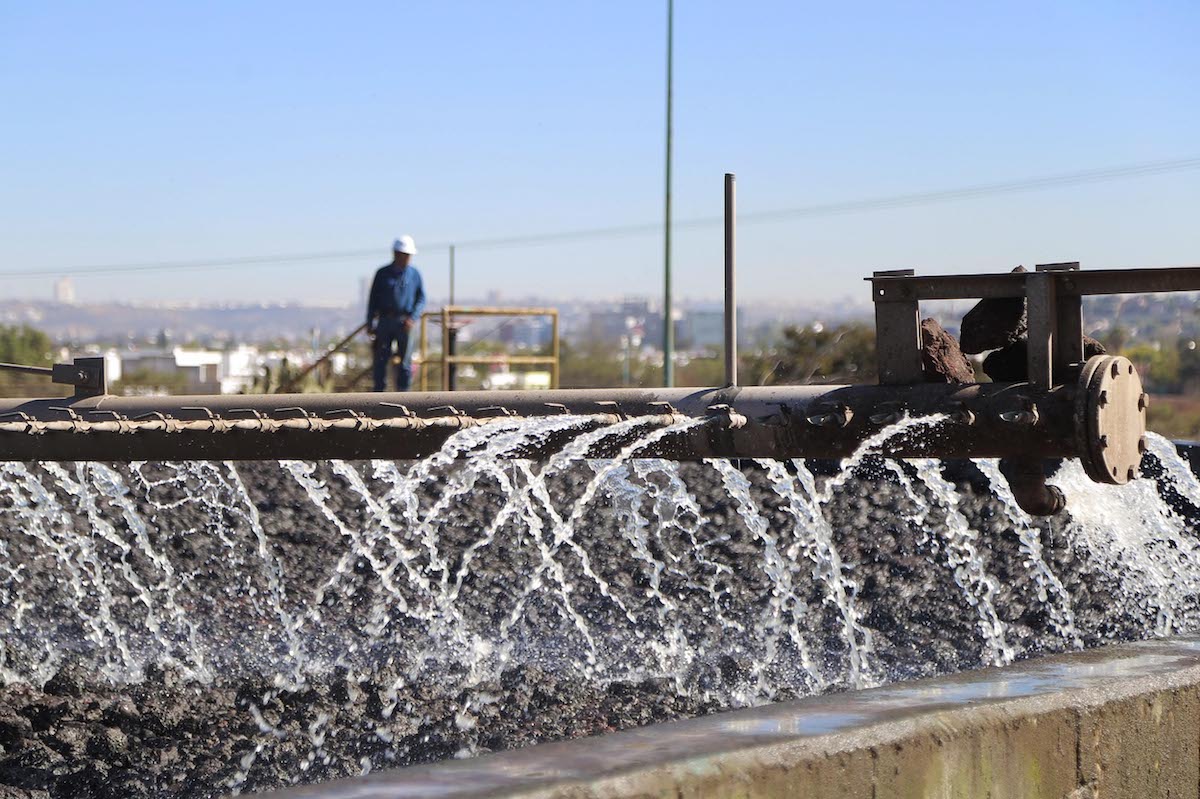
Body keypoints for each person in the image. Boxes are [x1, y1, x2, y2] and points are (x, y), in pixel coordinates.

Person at [366, 236, 426, 391]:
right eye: (404, 255)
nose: (406, 259)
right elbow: (373, 300)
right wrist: (370, 322)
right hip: (385, 321)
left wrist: (412, 318)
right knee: (381, 360)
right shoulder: (382, 274)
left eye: (408, 255)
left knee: (405, 362)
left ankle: (404, 396)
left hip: (405, 323)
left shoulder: (414, 275)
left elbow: (421, 299)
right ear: (396, 254)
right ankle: (379, 396)